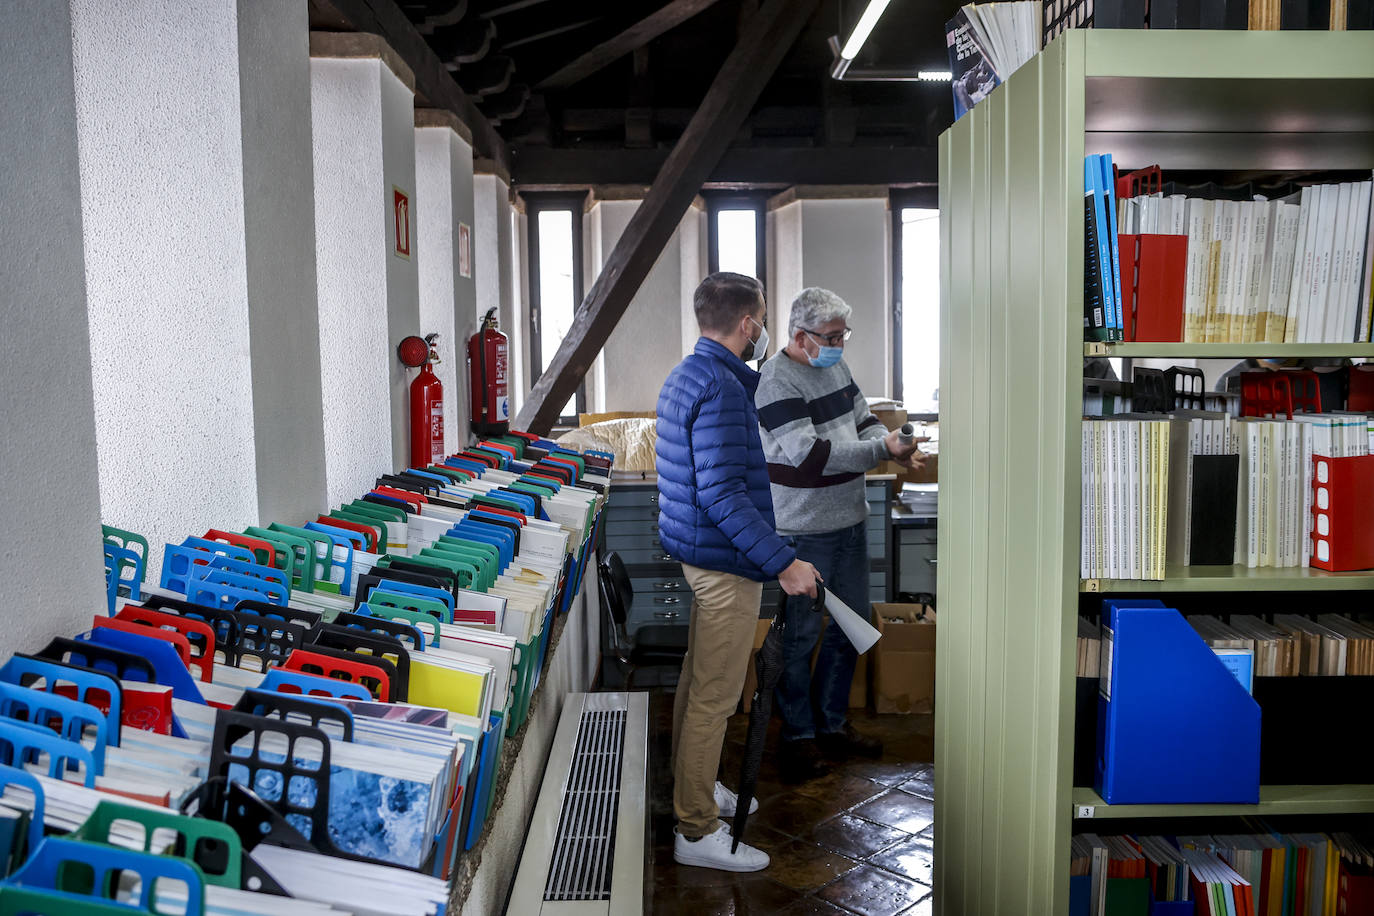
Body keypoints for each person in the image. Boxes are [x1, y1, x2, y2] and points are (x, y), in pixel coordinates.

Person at [656, 272, 822, 872]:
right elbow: (724, 493)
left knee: (699, 682)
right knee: (716, 697)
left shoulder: (691, 374)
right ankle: (696, 828)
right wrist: (783, 563)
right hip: (724, 565)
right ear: (749, 323)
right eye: (762, 320)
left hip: (701, 554)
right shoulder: (721, 391)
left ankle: (694, 788)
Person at [755, 287, 926, 784]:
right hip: (803, 531)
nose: (839, 345)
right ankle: (798, 738)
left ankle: (831, 726)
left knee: (848, 632)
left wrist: (891, 443)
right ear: (801, 336)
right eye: (830, 337)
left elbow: (865, 419)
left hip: (851, 519)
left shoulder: (837, 367)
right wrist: (882, 452)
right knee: (800, 638)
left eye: (842, 336)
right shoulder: (775, 381)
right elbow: (812, 454)